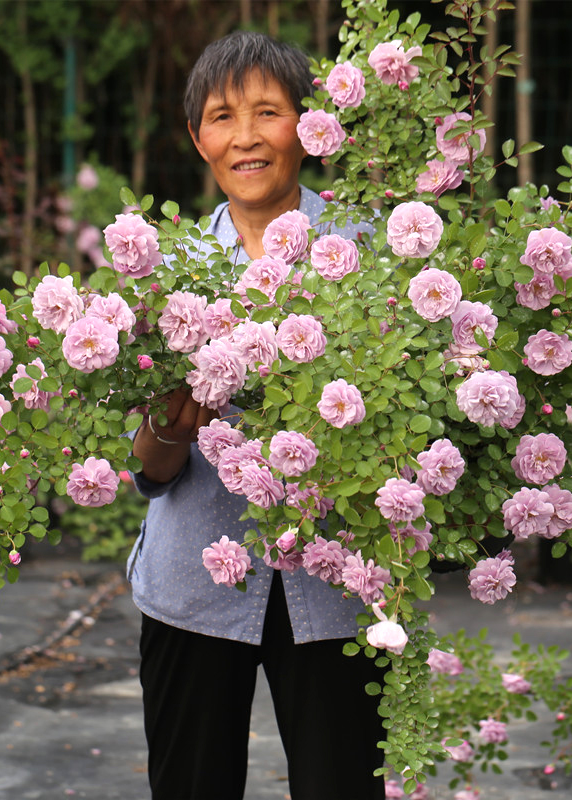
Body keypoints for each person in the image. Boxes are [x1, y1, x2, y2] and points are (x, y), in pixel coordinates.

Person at [127, 31, 385, 800]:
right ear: (196, 138)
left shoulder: (371, 255)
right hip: (193, 587)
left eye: (268, 112)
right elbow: (151, 466)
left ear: (307, 126)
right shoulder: (165, 273)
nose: (245, 136)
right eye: (221, 116)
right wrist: (186, 405)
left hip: (336, 587)